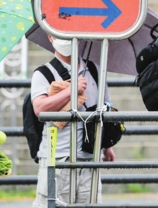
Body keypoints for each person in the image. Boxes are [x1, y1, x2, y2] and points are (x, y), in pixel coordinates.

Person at [31, 35, 115, 207]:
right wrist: (71, 90)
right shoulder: (43, 73)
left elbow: (104, 107)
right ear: (49, 36)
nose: (65, 39)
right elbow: (39, 108)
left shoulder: (94, 69)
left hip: (90, 158)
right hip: (58, 159)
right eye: (58, 34)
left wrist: (107, 146)